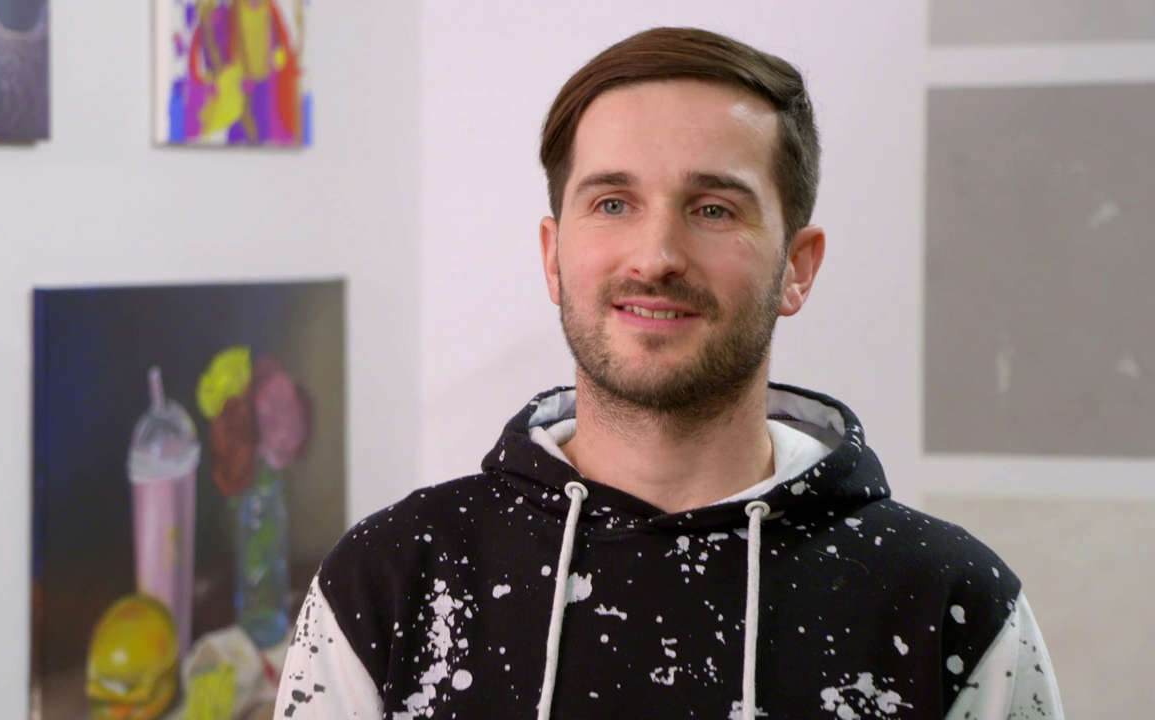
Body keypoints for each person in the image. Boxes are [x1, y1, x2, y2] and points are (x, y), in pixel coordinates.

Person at [273, 27, 1064, 719]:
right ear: (553, 256)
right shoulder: (388, 582)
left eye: (714, 208)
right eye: (613, 203)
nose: (655, 258)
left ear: (797, 266)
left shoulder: (951, 605)